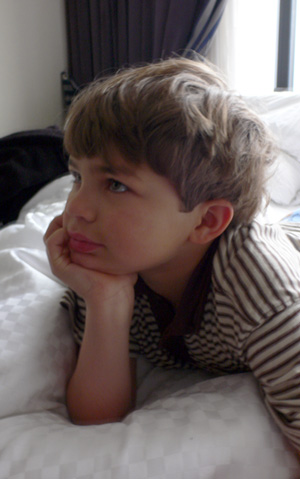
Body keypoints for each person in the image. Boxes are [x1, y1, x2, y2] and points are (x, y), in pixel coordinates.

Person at [44, 56, 300, 452]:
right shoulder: (108, 259)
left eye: (115, 185)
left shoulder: (259, 281)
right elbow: (96, 418)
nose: (75, 209)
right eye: (77, 177)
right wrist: (106, 303)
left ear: (206, 221)